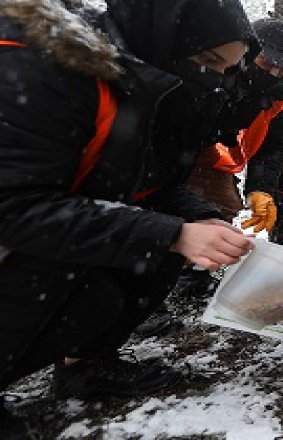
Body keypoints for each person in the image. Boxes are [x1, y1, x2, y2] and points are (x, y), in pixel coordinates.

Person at [0, 0, 256, 429]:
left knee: (131, 268)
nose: (212, 79)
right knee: (53, 269)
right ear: (162, 36)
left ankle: (85, 366)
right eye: (206, 60)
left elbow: (152, 183)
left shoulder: (143, 88)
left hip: (39, 231)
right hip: (17, 236)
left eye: (225, 70)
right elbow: (14, 206)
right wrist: (171, 233)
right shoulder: (41, 68)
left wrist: (199, 219)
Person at [164, 18, 283, 304]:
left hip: (216, 151)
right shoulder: (211, 69)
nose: (274, 73)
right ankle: (149, 272)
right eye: (267, 62)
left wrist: (261, 188)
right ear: (246, 49)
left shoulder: (282, 95)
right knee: (162, 202)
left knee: (222, 207)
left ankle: (193, 273)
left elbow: (272, 147)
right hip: (174, 142)